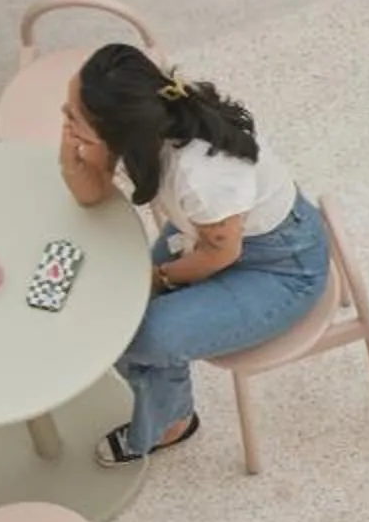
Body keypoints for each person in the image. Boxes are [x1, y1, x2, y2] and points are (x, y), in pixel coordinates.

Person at [56, 44, 331, 467]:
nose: (63, 115)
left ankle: (171, 422)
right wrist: (70, 146)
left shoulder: (202, 177)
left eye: (72, 114)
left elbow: (220, 255)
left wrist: (160, 277)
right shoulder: (141, 113)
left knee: (137, 337)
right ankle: (163, 402)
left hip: (281, 267)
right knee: (120, 313)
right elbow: (92, 193)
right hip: (213, 235)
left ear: (118, 131)